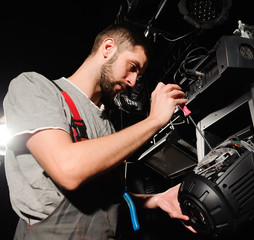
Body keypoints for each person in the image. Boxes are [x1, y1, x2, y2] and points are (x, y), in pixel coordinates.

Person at [3, 23, 196, 239]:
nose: (133, 82)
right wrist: (154, 121)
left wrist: (157, 200)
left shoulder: (109, 128)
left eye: (138, 74)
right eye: (132, 67)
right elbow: (68, 169)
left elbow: (105, 206)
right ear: (108, 48)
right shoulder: (35, 88)